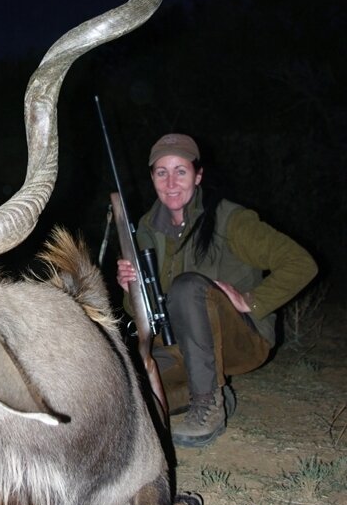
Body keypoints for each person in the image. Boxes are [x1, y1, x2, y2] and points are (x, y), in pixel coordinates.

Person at [116, 133, 318, 447]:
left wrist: (252, 300)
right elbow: (137, 312)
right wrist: (130, 287)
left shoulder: (230, 219)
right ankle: (194, 395)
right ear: (152, 177)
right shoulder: (145, 228)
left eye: (180, 171)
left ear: (198, 175)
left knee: (187, 287)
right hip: (177, 348)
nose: (171, 182)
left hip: (241, 340)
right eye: (161, 172)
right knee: (122, 384)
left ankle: (208, 406)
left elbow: (301, 263)